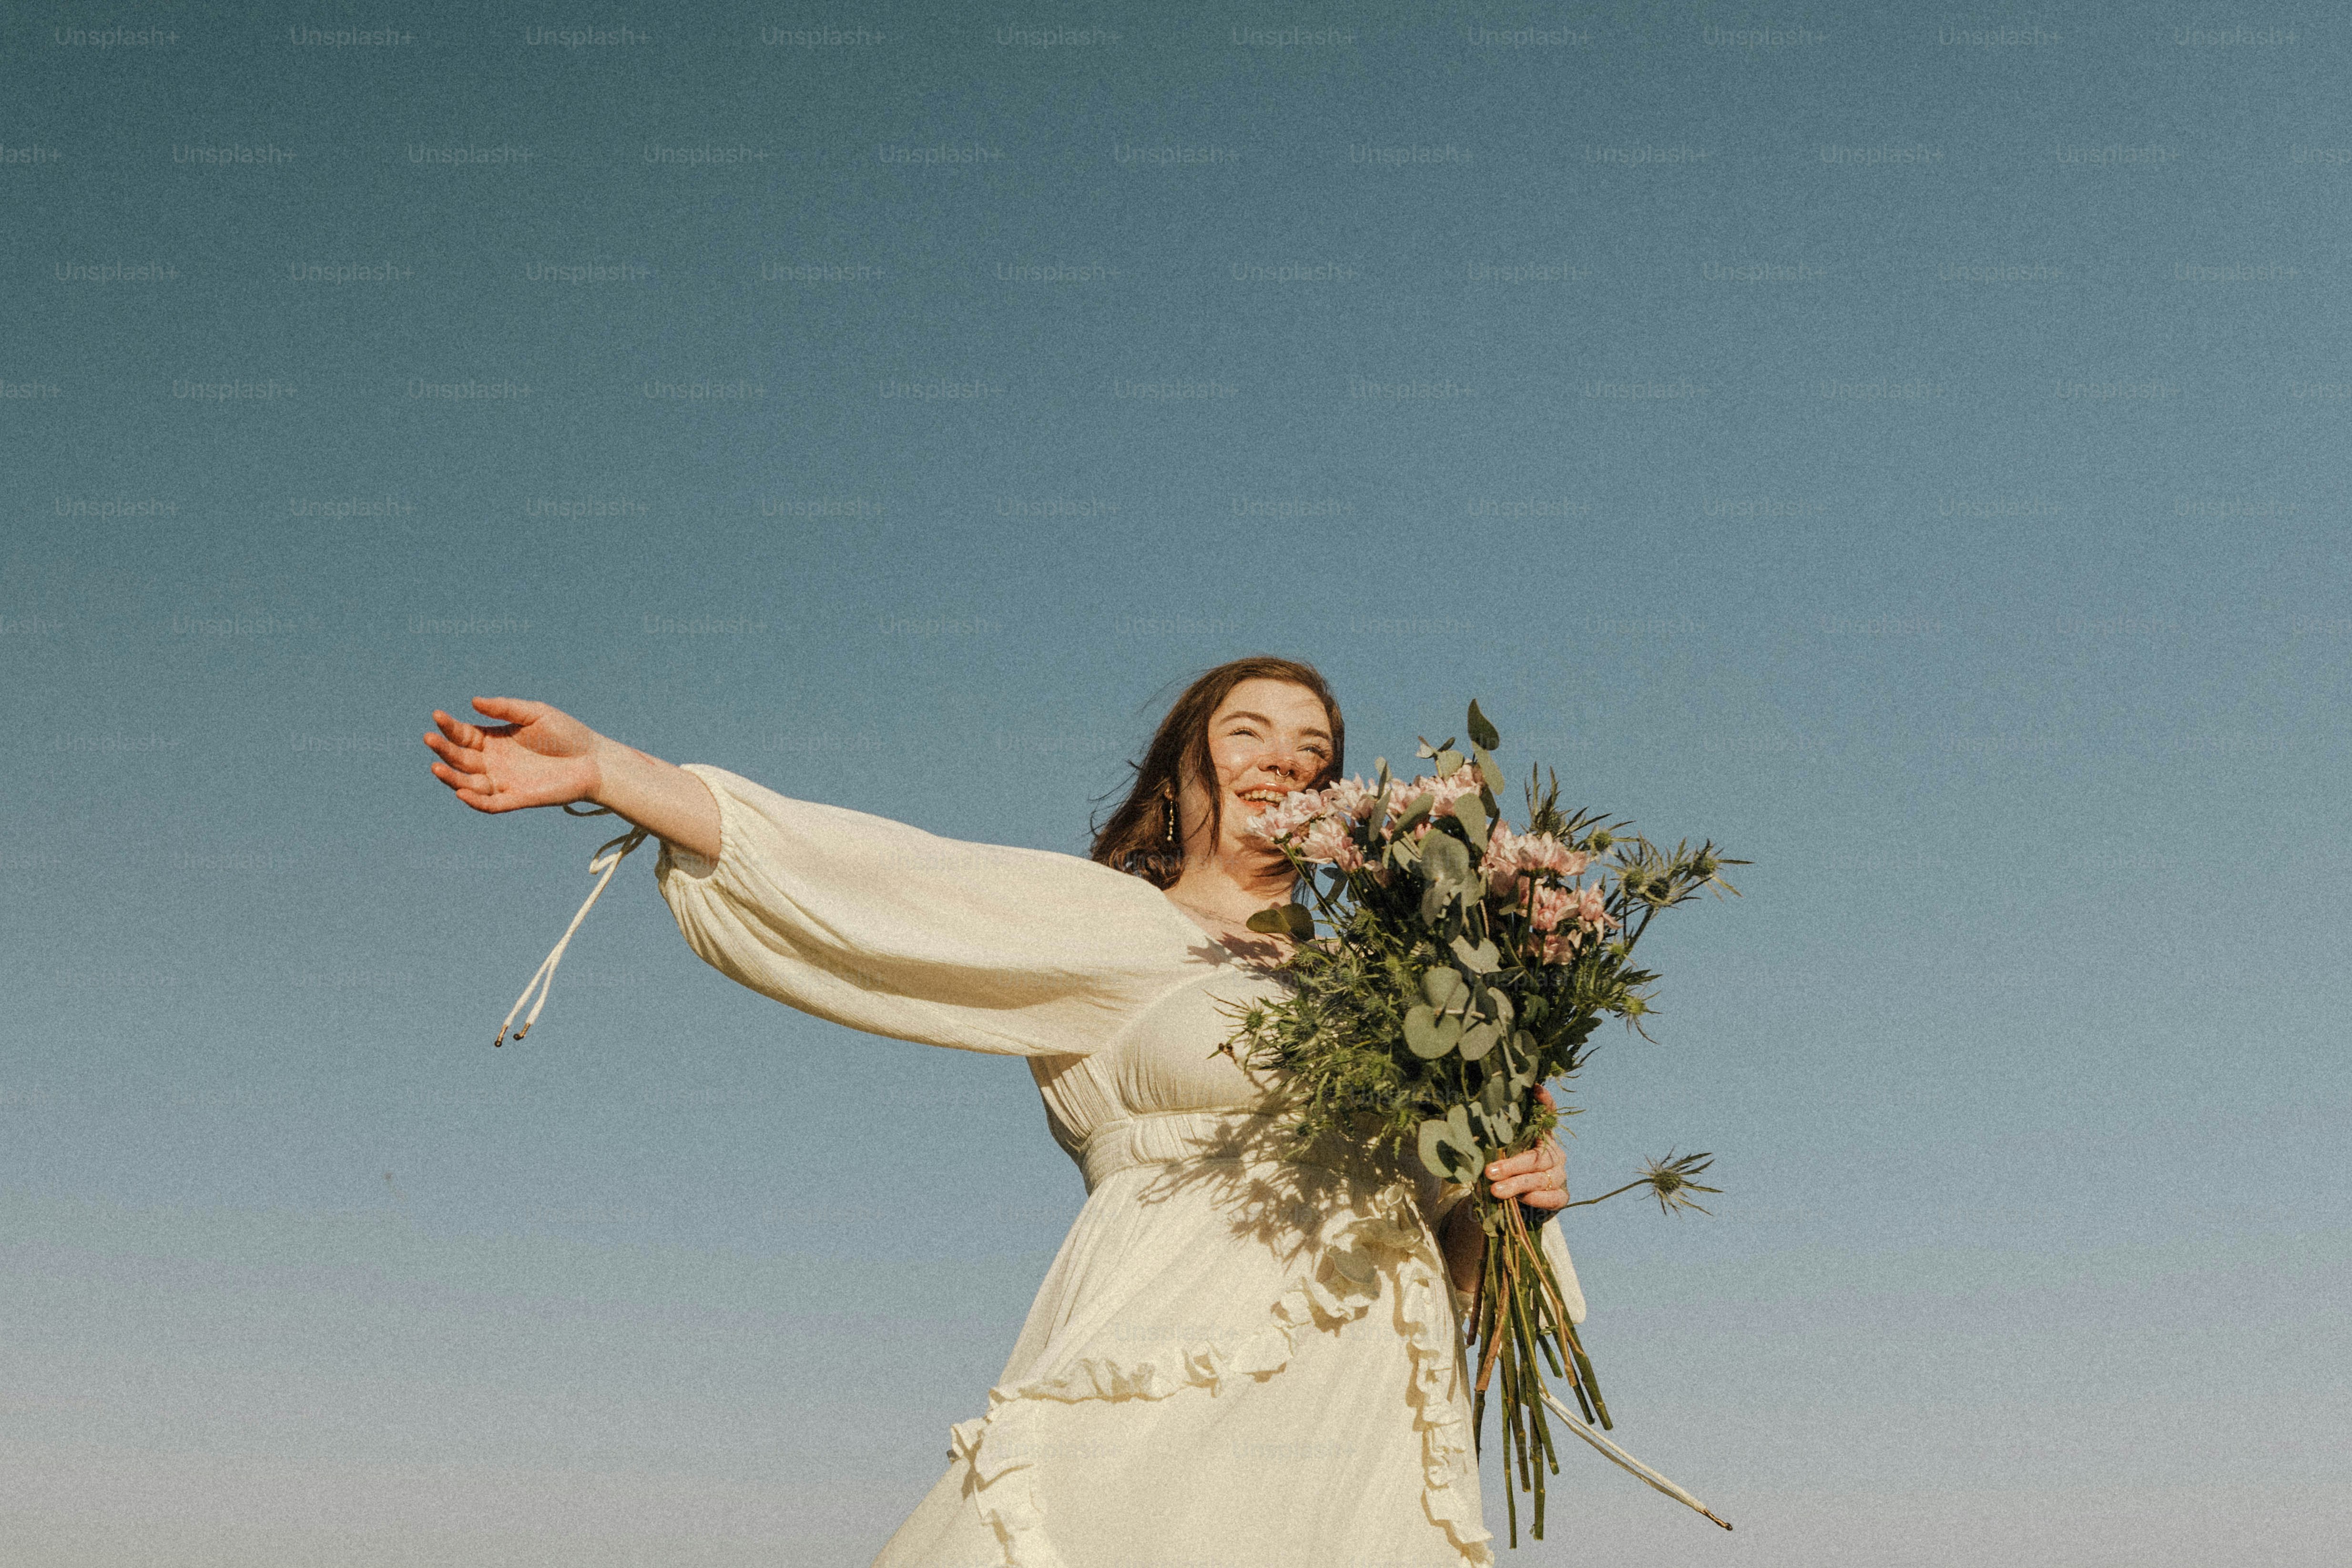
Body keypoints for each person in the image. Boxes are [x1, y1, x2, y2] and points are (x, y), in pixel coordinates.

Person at [423, 655, 1575, 1567]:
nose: (1283, 762)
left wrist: (1508, 1189)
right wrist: (615, 771)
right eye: (1247, 736)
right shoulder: (1109, 926)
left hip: (1363, 1387)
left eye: (1312, 749)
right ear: (1182, 776)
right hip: (1166, 1350)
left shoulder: (1399, 995)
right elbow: (889, 879)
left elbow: (1453, 1259)